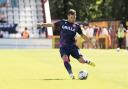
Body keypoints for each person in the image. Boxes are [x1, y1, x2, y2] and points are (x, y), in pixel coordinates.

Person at [37, 9, 95, 79]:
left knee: (81, 61)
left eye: (74, 18)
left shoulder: (76, 26)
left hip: (72, 46)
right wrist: (42, 24)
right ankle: (71, 74)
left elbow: (82, 35)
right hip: (63, 47)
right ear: (68, 16)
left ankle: (87, 61)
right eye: (71, 17)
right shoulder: (62, 22)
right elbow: (51, 24)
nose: (73, 19)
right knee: (65, 59)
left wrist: (90, 42)